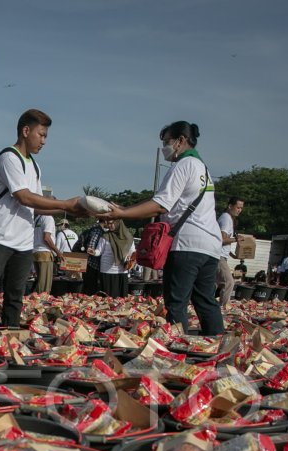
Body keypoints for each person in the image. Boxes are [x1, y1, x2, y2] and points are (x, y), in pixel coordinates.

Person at [0, 110, 86, 330]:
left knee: (15, 296)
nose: (44, 141)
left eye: (46, 136)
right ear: (25, 131)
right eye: (41, 134)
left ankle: (11, 339)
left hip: (22, 243)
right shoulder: (10, 157)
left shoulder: (34, 166)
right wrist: (66, 204)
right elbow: (24, 196)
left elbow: (37, 205)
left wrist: (69, 211)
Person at [100, 121, 224, 334]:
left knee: (176, 303)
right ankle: (221, 348)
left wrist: (122, 213)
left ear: (180, 141)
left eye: (167, 141)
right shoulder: (203, 168)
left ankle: (178, 351)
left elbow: (160, 204)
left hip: (186, 244)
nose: (164, 147)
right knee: (205, 301)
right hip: (210, 246)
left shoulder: (183, 165)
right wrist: (128, 209)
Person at [82, 218, 134, 297]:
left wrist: (130, 261)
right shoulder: (105, 236)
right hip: (107, 271)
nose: (109, 226)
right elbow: (99, 251)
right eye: (108, 223)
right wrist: (94, 252)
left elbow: (132, 252)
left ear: (118, 223)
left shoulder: (128, 236)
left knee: (121, 299)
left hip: (122, 271)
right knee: (108, 299)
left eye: (111, 223)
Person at [215, 197, 244, 307]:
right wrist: (237, 239)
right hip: (219, 256)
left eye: (241, 208)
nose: (239, 210)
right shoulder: (226, 219)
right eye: (238, 207)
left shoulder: (226, 218)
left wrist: (232, 254)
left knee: (214, 283)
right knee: (229, 282)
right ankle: (223, 308)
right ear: (230, 206)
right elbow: (222, 240)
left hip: (220, 255)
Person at [31, 214, 58, 295]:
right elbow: (47, 237)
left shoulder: (38, 218)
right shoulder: (49, 217)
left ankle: (35, 301)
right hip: (45, 252)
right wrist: (58, 252)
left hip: (36, 252)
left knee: (40, 281)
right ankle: (41, 304)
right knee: (45, 286)